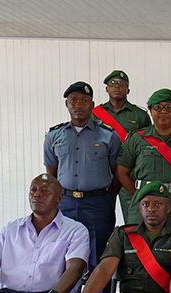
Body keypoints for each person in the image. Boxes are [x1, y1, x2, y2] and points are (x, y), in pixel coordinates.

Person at [44, 81, 122, 273]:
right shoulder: (54, 136)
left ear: (92, 104)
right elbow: (51, 173)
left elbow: (118, 174)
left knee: (99, 256)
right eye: (74, 100)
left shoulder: (108, 136)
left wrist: (105, 198)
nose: (78, 105)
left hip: (97, 203)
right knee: (63, 256)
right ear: (67, 104)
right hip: (65, 203)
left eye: (84, 101)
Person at [114, 88, 171, 230]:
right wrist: (138, 194)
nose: (163, 111)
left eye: (169, 107)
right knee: (140, 248)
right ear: (150, 111)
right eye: (158, 107)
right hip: (143, 205)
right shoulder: (137, 139)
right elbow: (121, 171)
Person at [91, 70, 152, 221]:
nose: (117, 86)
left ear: (128, 89)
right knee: (101, 219)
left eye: (122, 84)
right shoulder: (94, 114)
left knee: (134, 218)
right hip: (103, 173)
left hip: (129, 173)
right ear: (106, 88)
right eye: (113, 83)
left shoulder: (140, 115)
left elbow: (147, 145)